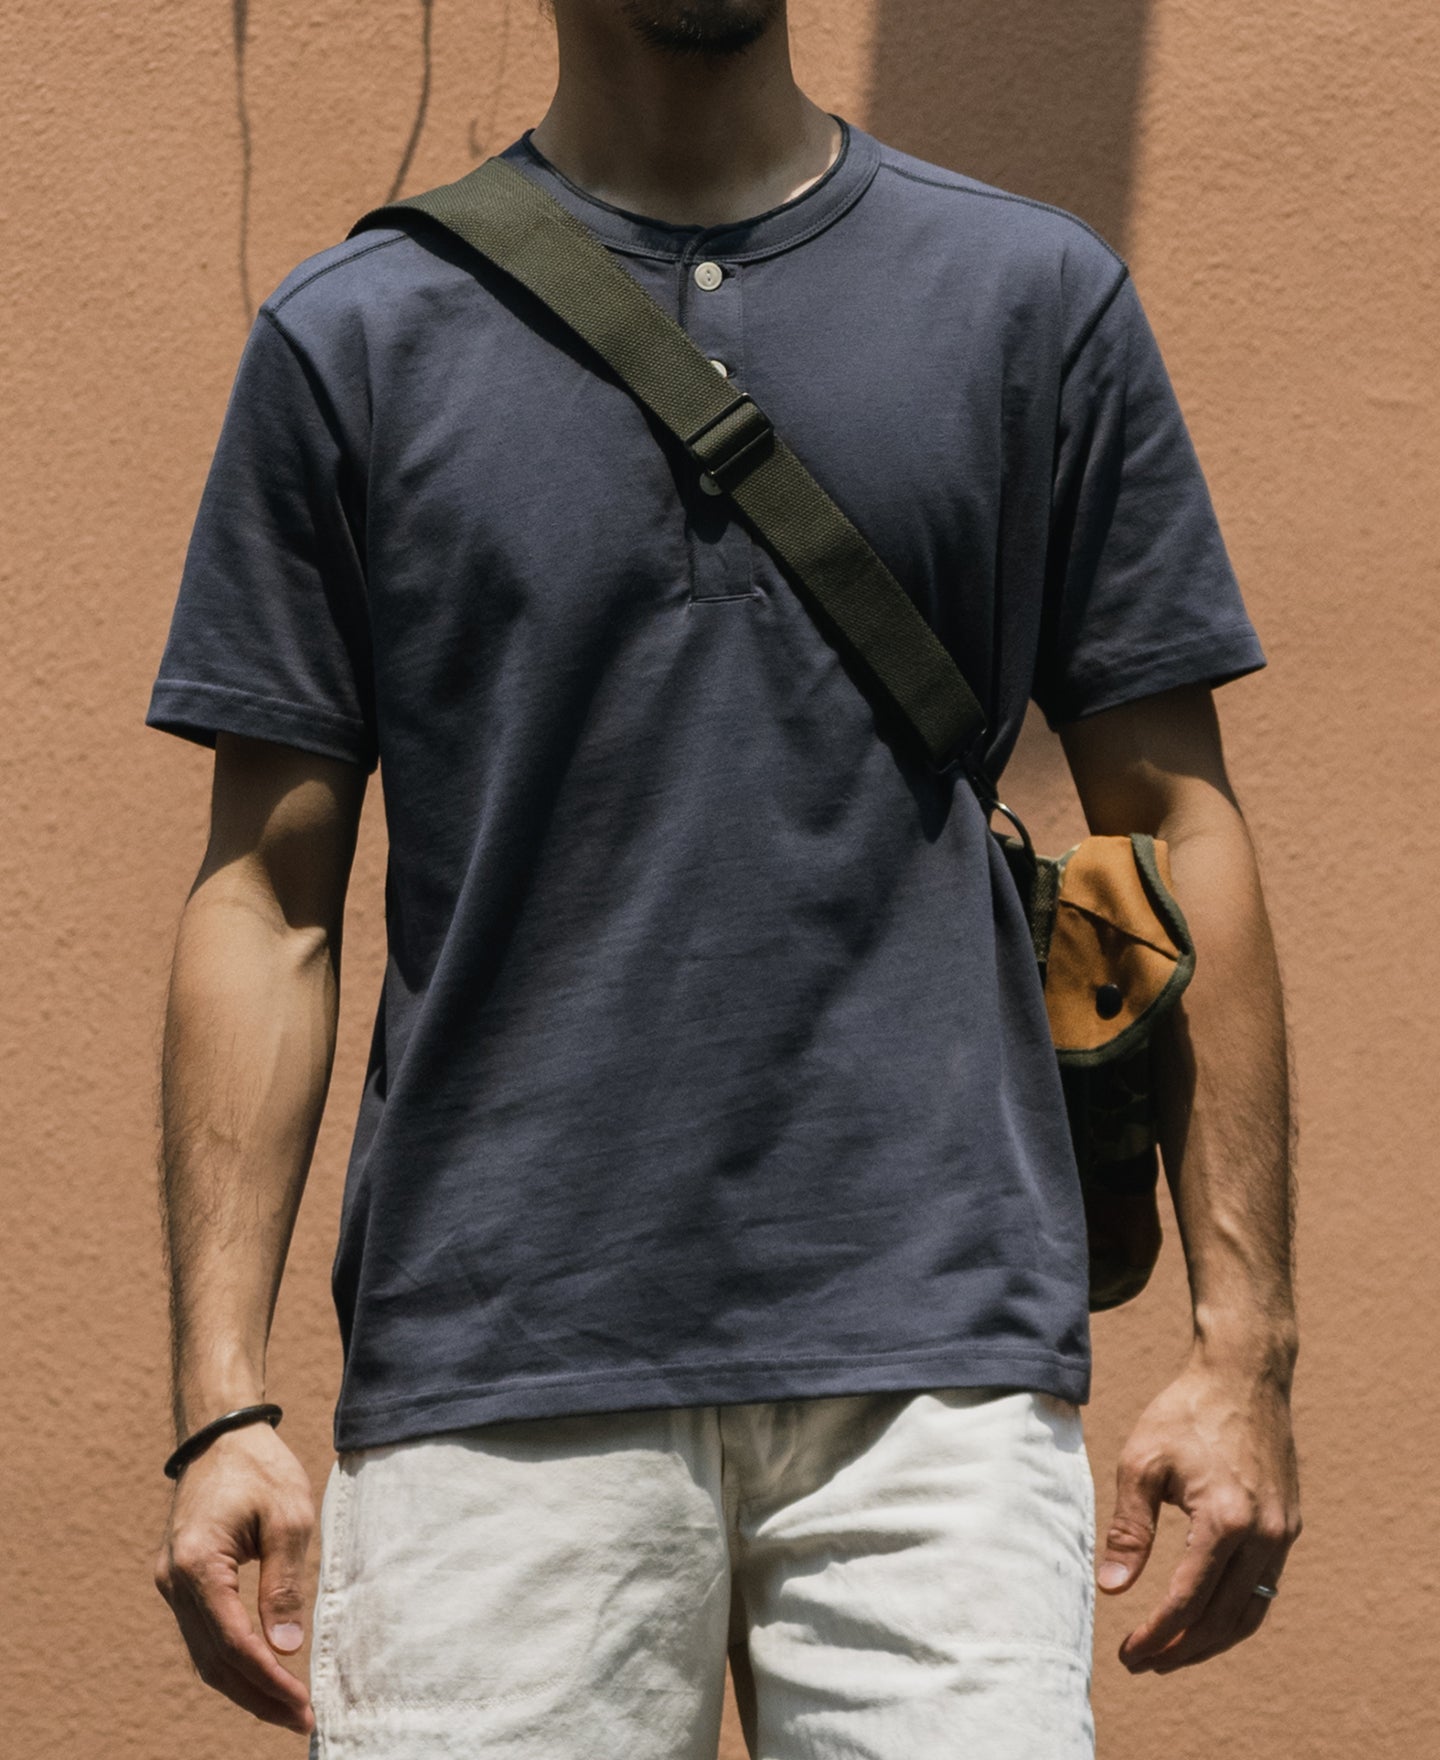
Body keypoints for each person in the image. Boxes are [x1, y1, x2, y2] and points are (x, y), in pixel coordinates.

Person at [147, 3, 1301, 1756]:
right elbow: (265, 899)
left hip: (939, 1363)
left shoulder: (1030, 299)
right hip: (495, 1364)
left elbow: (1180, 823)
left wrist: (1245, 1350)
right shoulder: (355, 337)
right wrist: (220, 1402)